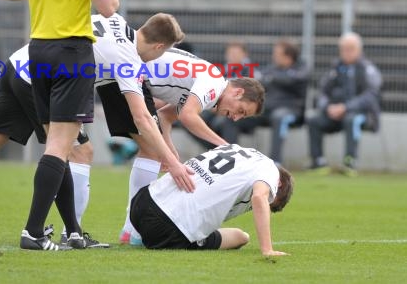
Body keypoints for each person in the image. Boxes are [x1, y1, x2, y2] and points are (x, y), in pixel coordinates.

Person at [0, 12, 184, 249]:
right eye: (163, 52)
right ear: (160, 46)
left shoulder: (115, 20)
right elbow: (142, 118)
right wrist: (172, 162)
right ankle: (71, 233)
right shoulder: (127, 56)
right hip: (40, 80)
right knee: (77, 151)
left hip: (19, 63)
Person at [0, 0, 120, 251]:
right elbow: (108, 9)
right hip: (72, 52)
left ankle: (74, 232)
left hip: (39, 51)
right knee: (61, 146)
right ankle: (32, 232)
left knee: (59, 146)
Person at [118, 48, 265, 244]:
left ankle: (130, 232)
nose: (236, 118)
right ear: (238, 92)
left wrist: (169, 149)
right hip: (128, 74)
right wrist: (225, 146)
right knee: (150, 152)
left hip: (129, 74)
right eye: (240, 110)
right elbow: (188, 116)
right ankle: (131, 232)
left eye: (241, 116)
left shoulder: (207, 83)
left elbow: (165, 117)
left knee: (152, 151)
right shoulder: (215, 83)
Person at [130, 143, 293, 255]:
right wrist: (267, 249)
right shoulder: (270, 170)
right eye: (271, 199)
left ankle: (133, 234)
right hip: (166, 229)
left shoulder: (241, 151)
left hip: (141, 202)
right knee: (242, 237)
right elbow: (259, 197)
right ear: (278, 184)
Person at [210, 39, 309, 164]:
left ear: (288, 56)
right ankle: (231, 159)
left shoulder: (301, 69)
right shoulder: (272, 68)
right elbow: (258, 81)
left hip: (290, 110)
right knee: (231, 118)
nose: (274, 56)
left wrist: (271, 78)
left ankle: (275, 162)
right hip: (266, 110)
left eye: (277, 54)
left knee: (279, 117)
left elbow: (289, 80)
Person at [307, 32, 382, 176]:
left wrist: (346, 107)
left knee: (351, 119)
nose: (346, 53)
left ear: (359, 50)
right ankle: (318, 161)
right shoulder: (335, 69)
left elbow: (371, 95)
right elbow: (322, 92)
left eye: (350, 49)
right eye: (343, 49)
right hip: (335, 114)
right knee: (313, 120)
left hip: (362, 115)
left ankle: (350, 161)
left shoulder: (367, 69)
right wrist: (327, 107)